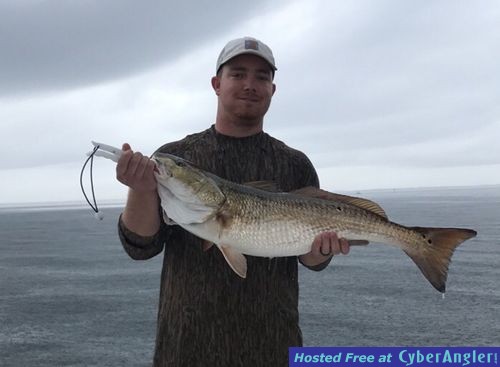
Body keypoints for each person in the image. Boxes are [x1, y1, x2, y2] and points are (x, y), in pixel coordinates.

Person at [116, 36, 350, 367]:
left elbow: (310, 258)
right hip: (185, 350)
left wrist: (321, 251)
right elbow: (140, 246)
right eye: (238, 74)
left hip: (273, 347)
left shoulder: (295, 164)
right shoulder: (178, 158)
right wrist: (140, 189)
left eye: (261, 77)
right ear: (216, 83)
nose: (250, 85)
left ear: (273, 89)